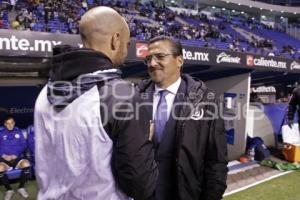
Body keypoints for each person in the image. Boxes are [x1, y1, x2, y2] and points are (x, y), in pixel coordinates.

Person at [34, 6, 157, 200]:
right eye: (126, 43)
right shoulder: (120, 94)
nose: (126, 49)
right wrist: (146, 141)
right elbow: (140, 185)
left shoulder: (45, 92)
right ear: (115, 40)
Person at [137, 36, 228, 200]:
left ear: (179, 61)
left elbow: (216, 160)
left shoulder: (206, 101)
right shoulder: (135, 98)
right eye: (149, 59)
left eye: (160, 57)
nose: (152, 63)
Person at [0, 116, 31, 200]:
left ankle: (21, 187)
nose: (10, 125)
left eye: (12, 123)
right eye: (8, 123)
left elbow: (24, 145)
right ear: (5, 124)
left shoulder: (19, 132)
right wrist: (3, 155)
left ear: (14, 123)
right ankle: (9, 190)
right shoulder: (1, 133)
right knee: (0, 168)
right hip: (4, 159)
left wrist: (16, 154)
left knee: (26, 164)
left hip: (16, 157)